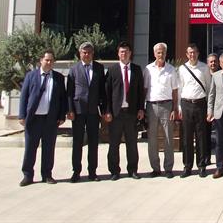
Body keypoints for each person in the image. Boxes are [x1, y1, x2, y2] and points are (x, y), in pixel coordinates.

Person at [18, 49, 67, 186]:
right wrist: (22, 115)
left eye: (51, 60)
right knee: (30, 148)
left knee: (48, 149)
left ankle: (47, 175)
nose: (49, 62)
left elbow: (62, 98)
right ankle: (28, 175)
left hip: (50, 119)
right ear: (41, 60)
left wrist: (61, 116)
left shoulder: (58, 78)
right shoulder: (31, 76)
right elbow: (24, 96)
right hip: (33, 119)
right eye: (47, 60)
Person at [104, 41, 144, 180]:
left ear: (130, 53)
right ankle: (114, 171)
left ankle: (132, 170)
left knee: (132, 144)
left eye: (126, 51)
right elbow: (107, 93)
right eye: (121, 51)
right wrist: (107, 111)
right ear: (118, 53)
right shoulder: (112, 70)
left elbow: (140, 91)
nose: (124, 54)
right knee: (114, 144)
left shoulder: (137, 69)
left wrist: (141, 109)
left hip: (131, 113)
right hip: (116, 113)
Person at [66, 41, 106, 182]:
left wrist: (104, 110)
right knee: (77, 142)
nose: (87, 55)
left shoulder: (99, 68)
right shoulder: (74, 69)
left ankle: (92, 172)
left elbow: (103, 91)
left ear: (93, 53)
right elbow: (69, 92)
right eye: (84, 52)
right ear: (80, 53)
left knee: (93, 142)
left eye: (89, 52)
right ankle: (76, 172)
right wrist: (70, 110)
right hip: (78, 111)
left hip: (93, 111)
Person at [144, 42, 178, 178]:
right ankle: (155, 168)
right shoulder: (148, 69)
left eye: (163, 52)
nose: (161, 54)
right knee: (152, 139)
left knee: (168, 138)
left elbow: (175, 91)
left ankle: (168, 168)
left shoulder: (171, 70)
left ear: (166, 53)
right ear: (154, 54)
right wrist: (142, 107)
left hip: (167, 106)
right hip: (151, 106)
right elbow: (145, 88)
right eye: (158, 52)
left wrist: (174, 108)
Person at [178, 43, 211, 178]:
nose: (192, 55)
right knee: (187, 137)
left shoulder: (204, 68)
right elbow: (180, 88)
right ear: (187, 54)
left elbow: (209, 87)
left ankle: (201, 166)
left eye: (194, 52)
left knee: (201, 136)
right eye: (190, 52)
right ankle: (187, 166)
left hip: (200, 104)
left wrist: (209, 108)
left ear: (198, 53)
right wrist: (179, 107)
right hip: (186, 104)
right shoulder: (182, 69)